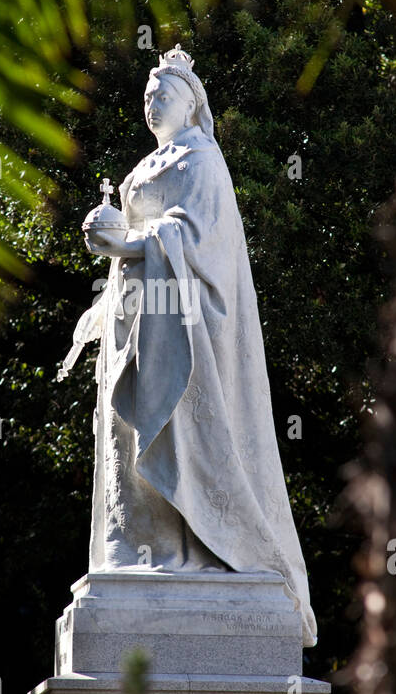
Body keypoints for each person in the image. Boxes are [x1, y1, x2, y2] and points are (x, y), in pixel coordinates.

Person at [60, 45, 316, 646]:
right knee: (130, 441)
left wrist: (125, 243)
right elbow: (139, 239)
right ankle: (139, 549)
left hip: (183, 326)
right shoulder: (142, 169)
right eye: (148, 96)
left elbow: (197, 241)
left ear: (191, 103)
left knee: (180, 431)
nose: (153, 103)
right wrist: (110, 240)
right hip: (137, 322)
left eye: (164, 95)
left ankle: (194, 547)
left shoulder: (202, 162)